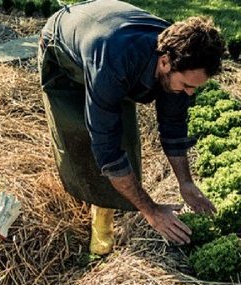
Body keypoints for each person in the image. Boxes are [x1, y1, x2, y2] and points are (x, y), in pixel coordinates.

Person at [37, 0, 225, 255]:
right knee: (81, 134)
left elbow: (173, 125)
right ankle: (95, 203)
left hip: (109, 43)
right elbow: (107, 149)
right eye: (186, 85)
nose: (190, 93)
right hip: (63, 52)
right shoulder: (114, 63)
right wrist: (152, 211)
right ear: (165, 62)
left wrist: (186, 182)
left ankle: (105, 204)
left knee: (124, 134)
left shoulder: (178, 54)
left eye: (195, 87)